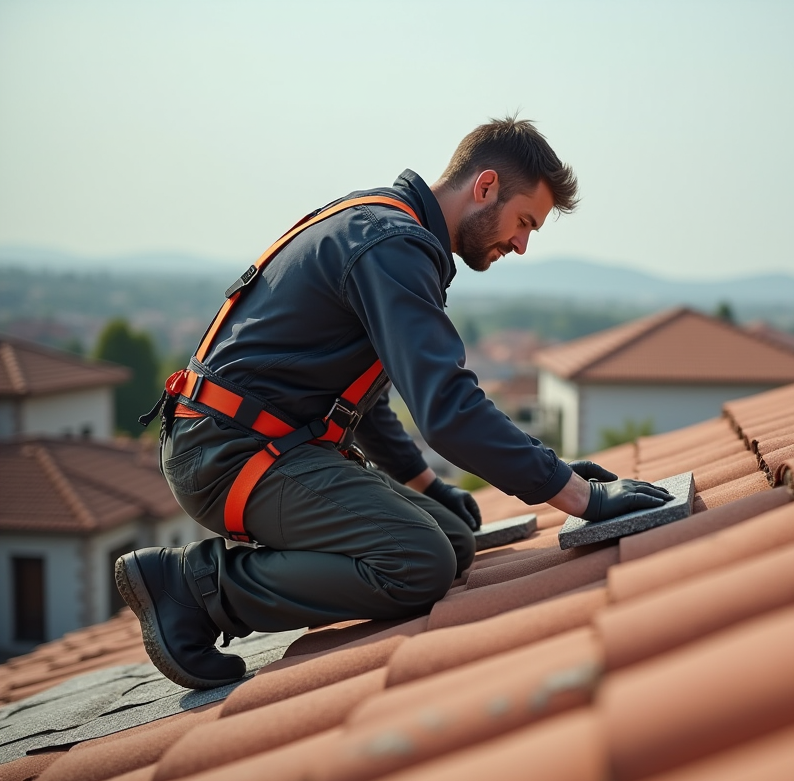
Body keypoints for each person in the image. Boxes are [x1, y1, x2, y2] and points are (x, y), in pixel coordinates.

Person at [116, 117, 672, 690]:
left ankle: (208, 583)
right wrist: (578, 495)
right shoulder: (394, 245)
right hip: (229, 453)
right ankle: (195, 587)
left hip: (251, 440)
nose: (521, 244)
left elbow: (359, 400)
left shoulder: (383, 222)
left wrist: (428, 486)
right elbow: (447, 409)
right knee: (418, 563)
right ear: (484, 187)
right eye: (524, 221)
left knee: (451, 542)